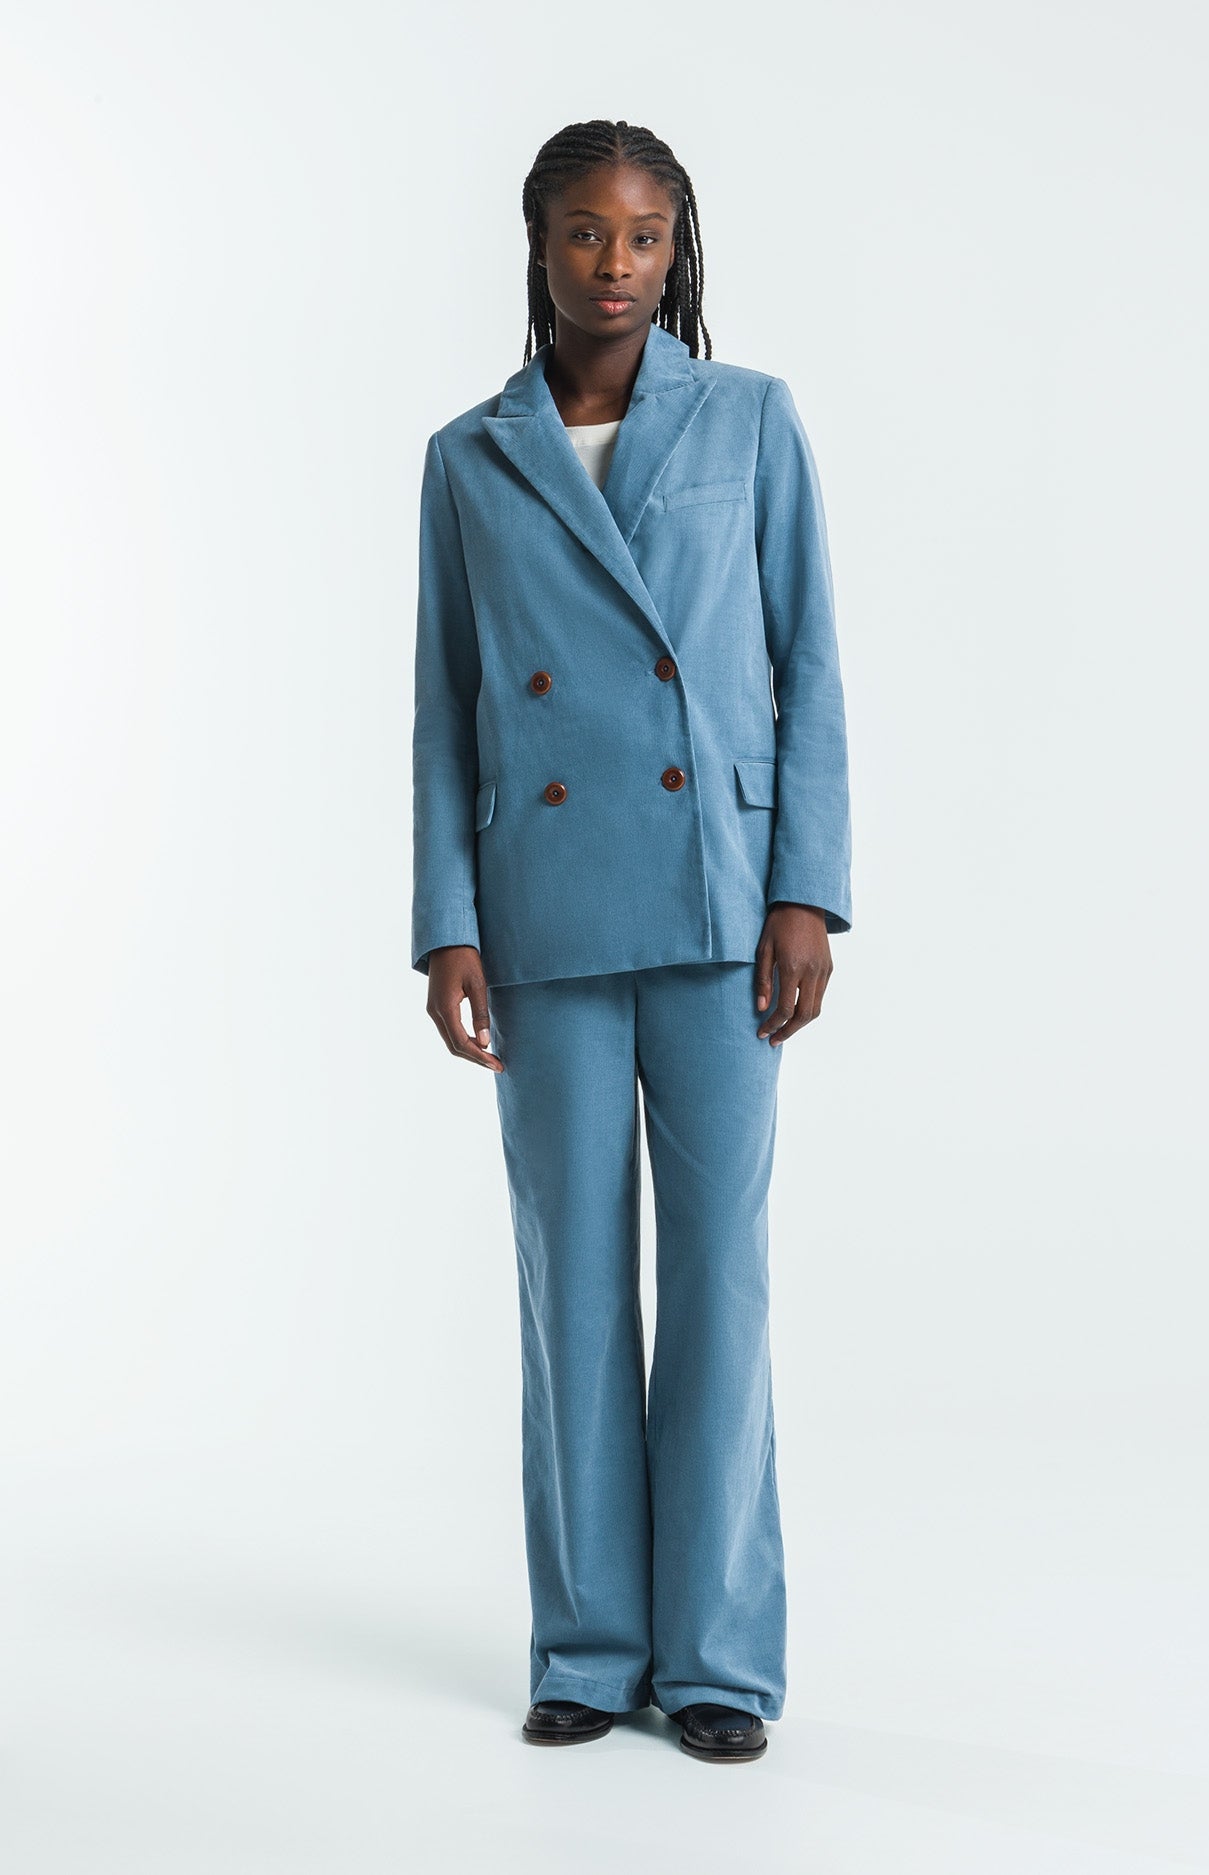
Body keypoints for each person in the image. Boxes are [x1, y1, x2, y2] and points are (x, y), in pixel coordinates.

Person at [411, 118, 852, 1765]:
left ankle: (719, 1659)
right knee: (571, 1292)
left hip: (721, 898)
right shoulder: (471, 454)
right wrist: (444, 923)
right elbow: (445, 707)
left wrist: (805, 889)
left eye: (646, 234)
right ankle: (589, 1650)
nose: (616, 263)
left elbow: (808, 663)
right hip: (540, 907)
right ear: (537, 246)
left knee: (720, 1284)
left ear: (679, 250)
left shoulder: (749, 418)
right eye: (586, 233)